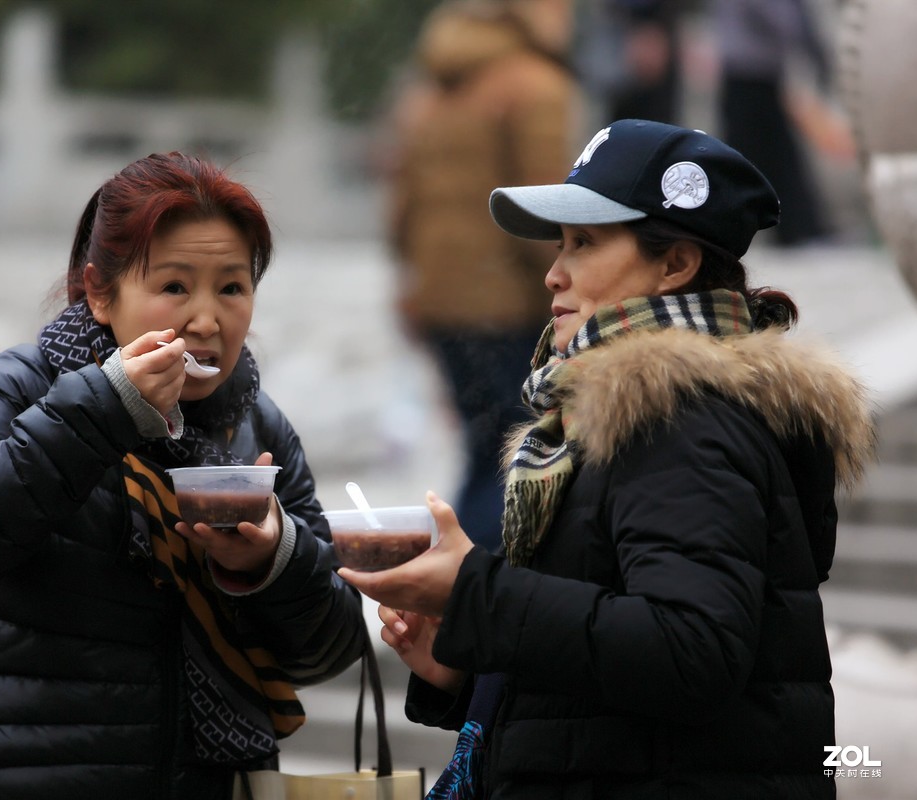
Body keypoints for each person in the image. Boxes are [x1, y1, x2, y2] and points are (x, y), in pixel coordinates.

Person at [340, 119, 874, 798]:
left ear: (676, 264)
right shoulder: (625, 414)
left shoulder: (681, 420)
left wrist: (477, 593)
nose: (553, 272)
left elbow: (691, 653)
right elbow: (613, 681)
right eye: (560, 245)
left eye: (585, 244)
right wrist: (462, 668)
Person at [0, 152, 367, 799]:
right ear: (99, 292)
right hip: (23, 772)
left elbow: (328, 649)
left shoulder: (256, 428)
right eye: (175, 287)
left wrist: (274, 557)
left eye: (232, 287)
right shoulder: (22, 387)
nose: (206, 320)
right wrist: (103, 410)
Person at [384, 0, 578, 552]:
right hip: (509, 303)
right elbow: (542, 209)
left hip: (443, 304)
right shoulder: (534, 85)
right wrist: (569, 288)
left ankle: (457, 574)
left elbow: (400, 209)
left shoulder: (427, 89)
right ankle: (478, 587)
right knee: (519, 451)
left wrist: (415, 287)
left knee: (485, 445)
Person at [713, 0, 837, 247]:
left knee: (773, 153)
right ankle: (790, 227)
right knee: (754, 155)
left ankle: (793, 227)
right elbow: (776, 17)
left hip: (761, 72)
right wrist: (802, 36)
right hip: (748, 71)